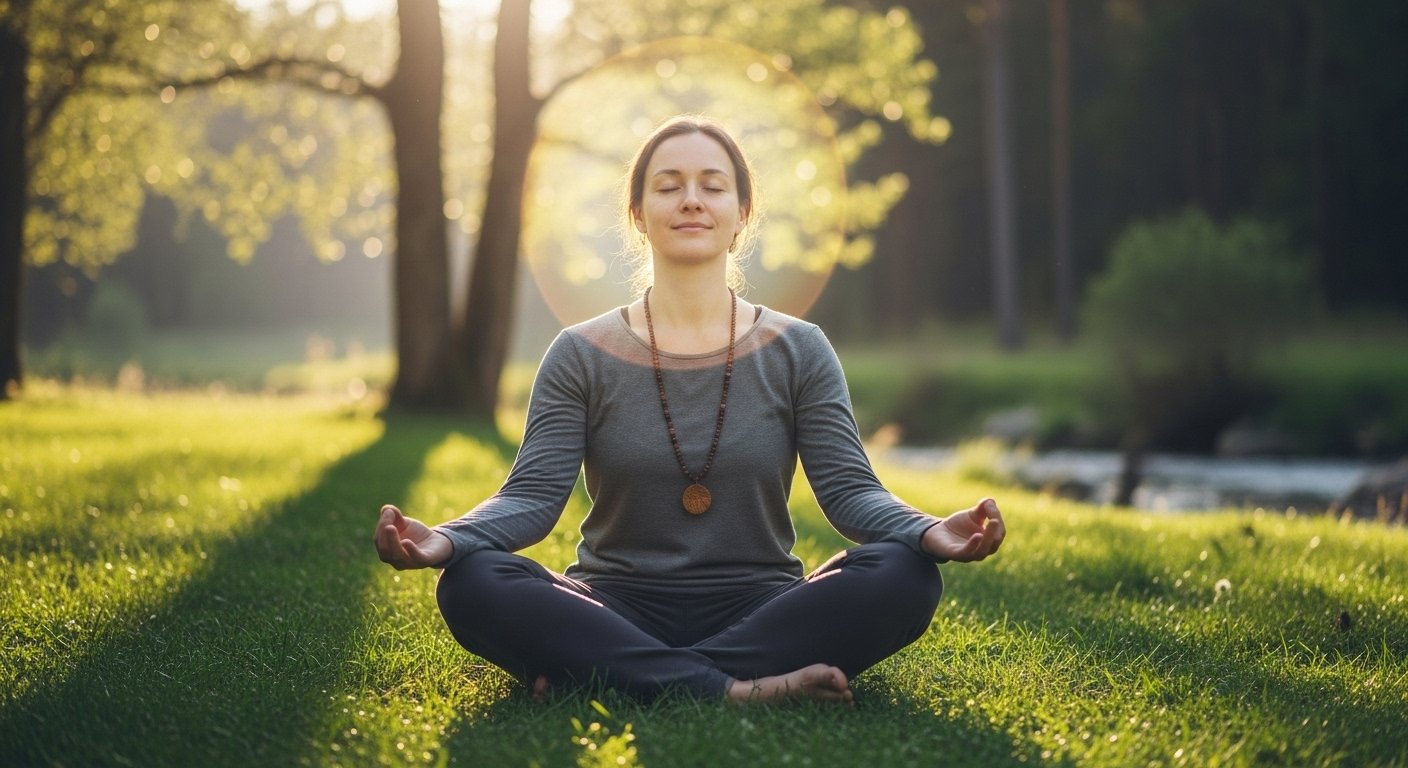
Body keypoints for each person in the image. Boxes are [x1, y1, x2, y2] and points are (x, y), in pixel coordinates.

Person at [373, 115, 1005, 704]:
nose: (692, 200)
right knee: (473, 581)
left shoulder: (799, 349)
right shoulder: (580, 353)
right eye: (668, 186)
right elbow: (531, 499)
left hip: (762, 606)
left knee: (904, 573)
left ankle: (612, 672)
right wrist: (449, 540)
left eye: (713, 186)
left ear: (740, 214)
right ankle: (739, 687)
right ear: (639, 215)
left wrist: (927, 530)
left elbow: (849, 492)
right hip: (614, 603)